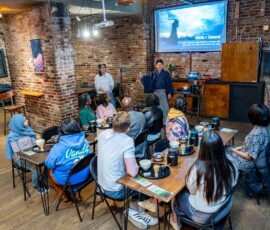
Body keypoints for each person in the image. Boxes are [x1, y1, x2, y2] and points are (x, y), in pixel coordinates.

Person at [98, 111, 158, 229]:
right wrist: (138, 166)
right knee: (146, 179)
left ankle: (136, 210)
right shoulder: (127, 141)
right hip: (116, 189)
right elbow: (133, 172)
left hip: (101, 185)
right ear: (128, 128)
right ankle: (135, 212)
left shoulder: (102, 134)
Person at [169, 130, 238, 230]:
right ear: (220, 147)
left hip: (204, 216)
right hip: (224, 208)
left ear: (203, 149)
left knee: (175, 194)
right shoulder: (231, 162)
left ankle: (175, 220)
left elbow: (191, 190)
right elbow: (233, 183)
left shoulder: (199, 168)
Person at [45, 118, 91, 202]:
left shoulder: (57, 149)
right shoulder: (85, 141)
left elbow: (48, 164)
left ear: (61, 132)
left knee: (49, 170)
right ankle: (69, 191)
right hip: (85, 176)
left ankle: (63, 194)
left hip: (67, 180)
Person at [5, 114, 49, 194]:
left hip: (33, 155)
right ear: (19, 124)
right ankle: (36, 185)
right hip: (22, 159)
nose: (27, 121)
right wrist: (31, 153)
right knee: (36, 169)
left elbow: (34, 144)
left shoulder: (27, 129)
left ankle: (43, 181)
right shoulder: (12, 137)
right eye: (25, 120)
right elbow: (18, 152)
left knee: (48, 163)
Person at [228, 103, 270, 171]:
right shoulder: (265, 127)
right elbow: (255, 145)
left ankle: (228, 176)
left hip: (249, 164)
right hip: (259, 157)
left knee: (222, 153)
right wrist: (241, 147)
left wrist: (234, 150)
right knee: (227, 147)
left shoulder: (256, 134)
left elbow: (249, 157)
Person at [140, 59, 174, 124]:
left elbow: (169, 83)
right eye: (158, 65)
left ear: (163, 65)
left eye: (161, 65)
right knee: (155, 107)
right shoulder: (153, 73)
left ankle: (164, 122)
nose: (160, 66)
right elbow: (148, 80)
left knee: (165, 108)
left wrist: (169, 93)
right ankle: (156, 122)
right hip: (155, 92)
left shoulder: (166, 73)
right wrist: (142, 77)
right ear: (156, 66)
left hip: (163, 92)